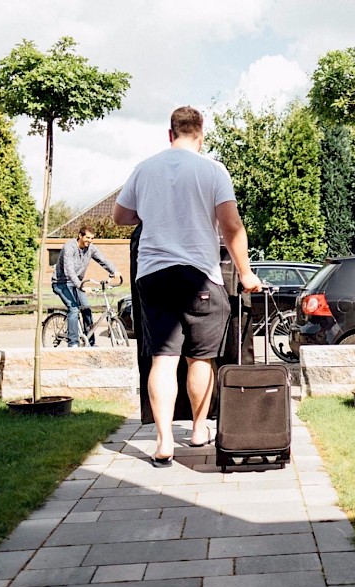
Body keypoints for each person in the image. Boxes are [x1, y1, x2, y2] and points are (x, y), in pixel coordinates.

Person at [114, 106, 260, 467]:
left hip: (154, 275)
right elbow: (231, 226)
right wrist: (245, 274)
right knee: (201, 358)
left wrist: (150, 215)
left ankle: (164, 441)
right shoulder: (212, 170)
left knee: (163, 359)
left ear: (170, 133)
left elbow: (120, 217)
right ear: (201, 133)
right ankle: (197, 429)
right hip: (200, 277)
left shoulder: (144, 169)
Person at [51, 227, 120, 347]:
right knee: (74, 309)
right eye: (87, 237)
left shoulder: (91, 248)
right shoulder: (70, 247)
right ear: (80, 236)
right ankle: (73, 343)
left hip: (77, 282)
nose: (90, 241)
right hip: (61, 282)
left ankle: (90, 343)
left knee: (86, 308)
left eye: (92, 238)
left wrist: (114, 271)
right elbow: (69, 270)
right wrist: (81, 286)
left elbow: (102, 259)